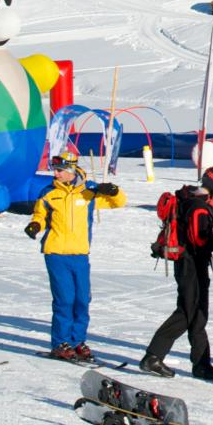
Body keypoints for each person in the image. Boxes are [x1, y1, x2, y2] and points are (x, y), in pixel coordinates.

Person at [24, 152, 125, 360]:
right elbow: (40, 215)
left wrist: (113, 191)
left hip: (79, 253)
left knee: (82, 299)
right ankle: (61, 342)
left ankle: (78, 341)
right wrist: (35, 225)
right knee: (65, 299)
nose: (56, 173)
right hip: (56, 253)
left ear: (71, 170)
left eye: (60, 170)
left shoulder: (88, 192)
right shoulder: (49, 193)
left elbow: (118, 203)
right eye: (55, 170)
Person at [141, 166, 213, 379]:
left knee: (197, 313)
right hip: (192, 264)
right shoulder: (199, 208)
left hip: (186, 263)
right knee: (188, 312)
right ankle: (153, 356)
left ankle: (201, 363)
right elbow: (200, 241)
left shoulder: (187, 198)